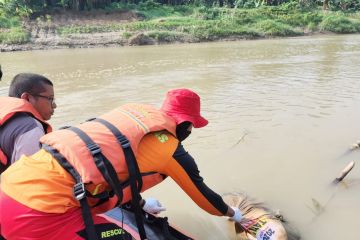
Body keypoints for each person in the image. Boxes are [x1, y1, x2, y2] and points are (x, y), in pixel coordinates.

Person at [0, 88, 242, 240]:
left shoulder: (132, 116)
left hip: (8, 184)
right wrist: (236, 215)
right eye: (191, 126)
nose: (190, 130)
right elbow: (204, 198)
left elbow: (107, 165)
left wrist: (141, 202)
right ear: (186, 123)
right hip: (35, 215)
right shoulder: (169, 148)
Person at [0, 73, 56, 173]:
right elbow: (30, 177)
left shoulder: (3, 113)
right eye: (50, 99)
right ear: (27, 98)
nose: (54, 105)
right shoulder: (31, 129)